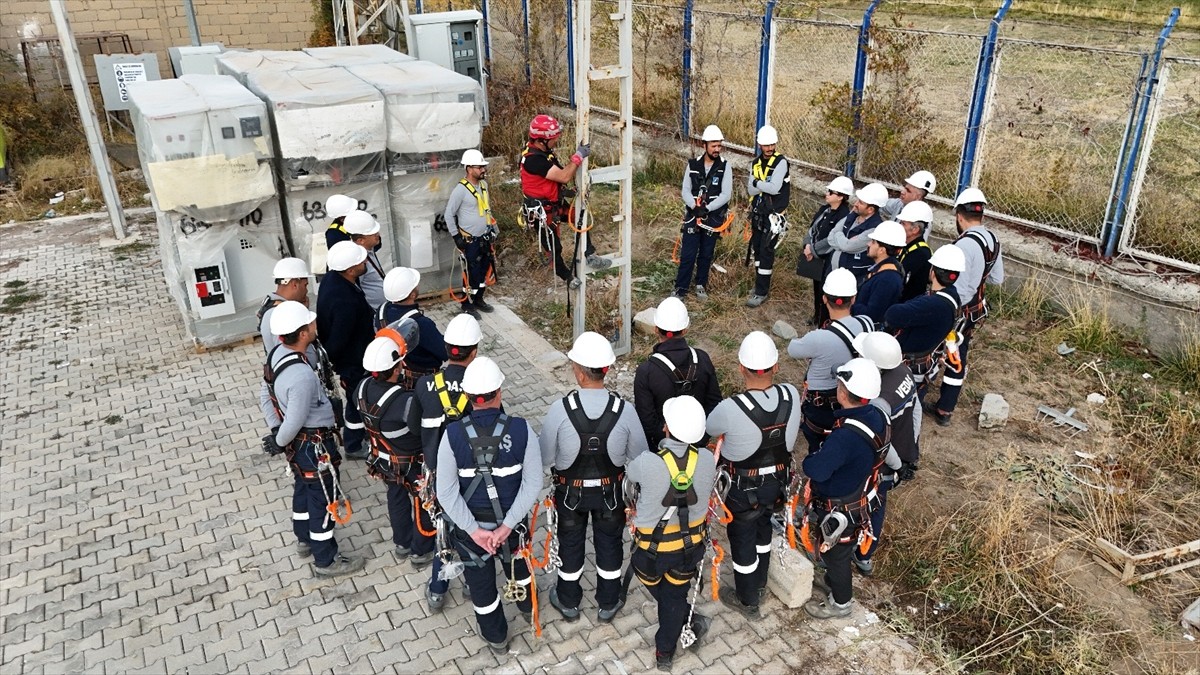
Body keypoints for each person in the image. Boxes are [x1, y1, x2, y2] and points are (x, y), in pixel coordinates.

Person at [541, 332, 649, 623]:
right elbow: (640, 457)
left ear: (578, 371)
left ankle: (568, 601)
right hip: (611, 495)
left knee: (570, 543)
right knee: (610, 544)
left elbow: (545, 457)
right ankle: (608, 602)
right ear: (607, 369)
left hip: (570, 495)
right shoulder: (624, 411)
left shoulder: (559, 411)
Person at [436, 357, 540, 655]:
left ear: (467, 398)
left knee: (482, 587)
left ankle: (496, 636)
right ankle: (527, 604)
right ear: (500, 392)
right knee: (520, 568)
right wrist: (506, 526)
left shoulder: (452, 435)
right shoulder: (522, 430)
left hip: (472, 534)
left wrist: (475, 531)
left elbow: (446, 492)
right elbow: (532, 484)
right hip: (513, 528)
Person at [260, 301, 364, 577]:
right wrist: (280, 438)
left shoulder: (275, 356)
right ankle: (326, 559)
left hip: (298, 445)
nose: (315, 324)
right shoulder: (302, 375)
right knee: (322, 498)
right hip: (313, 445)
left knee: (304, 489)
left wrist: (276, 432)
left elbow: (265, 395)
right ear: (303, 332)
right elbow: (295, 418)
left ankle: (304, 537)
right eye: (311, 323)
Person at [705, 331, 802, 619]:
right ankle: (758, 584)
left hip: (743, 487)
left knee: (742, 539)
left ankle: (748, 600)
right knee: (763, 528)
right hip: (779, 484)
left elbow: (710, 428)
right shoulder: (791, 395)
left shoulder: (730, 409)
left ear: (740, 368)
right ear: (776, 367)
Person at [626, 395, 715, 670]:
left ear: (666, 426)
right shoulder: (708, 459)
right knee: (674, 595)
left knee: (668, 597)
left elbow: (630, 475)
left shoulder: (647, 462)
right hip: (688, 552)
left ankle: (666, 648)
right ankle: (679, 621)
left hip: (648, 556)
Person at [801, 358, 890, 619]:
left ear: (842, 391)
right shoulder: (878, 416)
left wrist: (811, 458)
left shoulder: (846, 435)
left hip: (842, 504)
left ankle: (841, 603)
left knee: (837, 555)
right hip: (860, 491)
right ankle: (833, 583)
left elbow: (815, 470)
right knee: (838, 550)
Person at [413, 313, 482, 611]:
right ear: (475, 351)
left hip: (436, 474)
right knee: (466, 527)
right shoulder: (482, 386)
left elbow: (413, 424)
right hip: (471, 475)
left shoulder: (425, 385)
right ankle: (470, 581)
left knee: (442, 527)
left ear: (446, 347)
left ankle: (437, 589)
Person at [356, 331, 437, 567]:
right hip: (410, 461)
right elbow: (418, 429)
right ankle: (421, 550)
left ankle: (402, 542)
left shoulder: (360, 389)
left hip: (383, 459)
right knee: (423, 500)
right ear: (396, 367)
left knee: (396, 497)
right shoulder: (405, 402)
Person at [926, 188, 1004, 426]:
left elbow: (960, 288)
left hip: (958, 310)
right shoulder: (993, 239)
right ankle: (945, 408)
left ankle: (921, 391)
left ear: (959, 215)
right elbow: (996, 278)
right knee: (959, 355)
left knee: (936, 350)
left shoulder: (963, 246)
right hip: (975, 310)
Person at [787, 269, 874, 454]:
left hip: (821, 407)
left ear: (824, 298)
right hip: (856, 399)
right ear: (854, 298)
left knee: (816, 443)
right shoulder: (866, 323)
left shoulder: (819, 338)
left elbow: (792, 349)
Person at [520, 114, 609, 289]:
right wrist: (578, 157)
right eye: (553, 138)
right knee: (555, 248)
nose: (557, 140)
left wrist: (569, 191)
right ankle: (567, 277)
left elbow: (557, 178)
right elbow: (564, 175)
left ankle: (589, 253)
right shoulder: (534, 160)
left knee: (579, 216)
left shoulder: (544, 153)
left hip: (553, 204)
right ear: (541, 140)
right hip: (542, 213)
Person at [848, 332, 909, 577]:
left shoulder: (877, 402)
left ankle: (860, 552)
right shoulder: (904, 373)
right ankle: (866, 555)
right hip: (903, 447)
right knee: (879, 504)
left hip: (881, 460)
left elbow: (880, 440)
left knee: (870, 502)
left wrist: (895, 464)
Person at [633, 297, 722, 449]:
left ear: (656, 329)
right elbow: (715, 403)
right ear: (685, 329)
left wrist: (666, 442)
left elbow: (646, 421)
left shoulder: (646, 371)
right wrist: (699, 436)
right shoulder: (702, 359)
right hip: (698, 445)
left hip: (661, 450)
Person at [316, 241, 376, 460]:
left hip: (352, 358)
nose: (365, 260)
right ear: (351, 270)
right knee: (356, 401)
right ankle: (353, 445)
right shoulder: (345, 302)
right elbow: (339, 340)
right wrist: (339, 366)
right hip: (354, 362)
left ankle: (359, 437)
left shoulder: (333, 279)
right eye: (361, 260)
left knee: (356, 399)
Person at [885, 244, 964, 405]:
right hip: (925, 361)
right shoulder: (952, 296)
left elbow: (892, 315)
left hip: (911, 365)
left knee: (904, 406)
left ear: (933, 272)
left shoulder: (933, 305)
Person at [674, 124, 733, 301]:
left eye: (719, 146)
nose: (717, 149)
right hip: (693, 216)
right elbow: (685, 189)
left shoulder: (724, 167)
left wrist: (707, 208)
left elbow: (725, 194)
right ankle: (680, 289)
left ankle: (701, 284)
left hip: (712, 217)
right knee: (688, 254)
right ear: (704, 145)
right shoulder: (692, 165)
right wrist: (694, 206)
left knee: (706, 253)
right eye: (713, 146)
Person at [446, 149, 499, 318]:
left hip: (484, 237)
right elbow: (449, 214)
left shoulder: (484, 185)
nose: (483, 170)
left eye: (483, 167)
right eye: (479, 167)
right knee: (471, 272)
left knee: (483, 270)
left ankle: (478, 299)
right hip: (470, 241)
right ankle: (466, 304)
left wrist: (493, 228)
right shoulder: (460, 190)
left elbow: (485, 209)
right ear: (469, 168)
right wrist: (457, 237)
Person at [744, 125, 790, 308]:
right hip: (759, 213)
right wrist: (762, 184)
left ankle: (762, 292)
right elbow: (750, 189)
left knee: (766, 251)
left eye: (772, 144)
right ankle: (758, 286)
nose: (770, 148)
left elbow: (775, 188)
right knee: (757, 249)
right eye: (766, 145)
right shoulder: (755, 163)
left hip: (774, 215)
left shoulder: (781, 163)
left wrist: (757, 182)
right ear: (760, 145)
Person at [376, 267, 447, 384]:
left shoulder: (381, 311)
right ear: (413, 295)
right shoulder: (422, 324)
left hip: (397, 371)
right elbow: (444, 352)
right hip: (421, 378)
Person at [799, 176, 854, 327]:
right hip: (815, 256)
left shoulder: (844, 216)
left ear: (841, 197)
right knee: (817, 289)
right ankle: (817, 315)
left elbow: (832, 239)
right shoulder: (825, 209)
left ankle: (825, 321)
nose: (827, 194)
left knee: (826, 290)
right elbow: (812, 229)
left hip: (827, 259)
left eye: (831, 192)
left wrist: (813, 250)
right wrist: (807, 246)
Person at [826, 182, 888, 280]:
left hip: (852, 277)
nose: (855, 204)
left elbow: (848, 246)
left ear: (870, 209)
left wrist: (839, 236)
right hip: (834, 271)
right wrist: (843, 241)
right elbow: (831, 236)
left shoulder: (874, 228)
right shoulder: (853, 215)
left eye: (861, 203)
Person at [850, 220, 907, 324]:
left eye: (873, 242)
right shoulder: (883, 271)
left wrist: (851, 303)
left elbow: (872, 315)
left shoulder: (887, 280)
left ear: (882, 250)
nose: (868, 244)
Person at [258, 257, 312, 354]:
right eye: (305, 285)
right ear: (295, 284)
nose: (306, 291)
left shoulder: (275, 305)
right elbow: (289, 354)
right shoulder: (281, 315)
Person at [343, 209, 389, 310]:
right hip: (374, 312)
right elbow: (357, 290)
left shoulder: (369, 249)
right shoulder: (357, 261)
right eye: (373, 234)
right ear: (360, 241)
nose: (378, 235)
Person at [895, 201, 934, 302]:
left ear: (915, 230)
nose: (899, 226)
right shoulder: (908, 246)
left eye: (903, 223)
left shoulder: (920, 254)